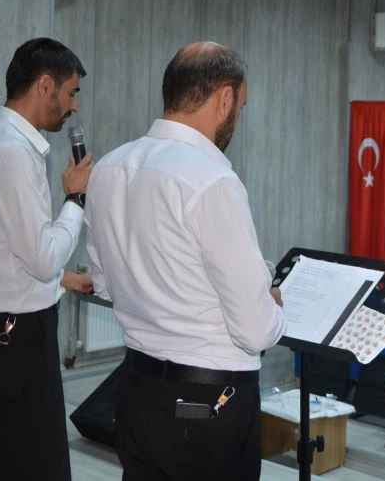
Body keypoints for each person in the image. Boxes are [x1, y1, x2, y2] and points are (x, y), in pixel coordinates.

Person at [85, 42, 286, 480]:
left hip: (136, 389)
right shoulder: (212, 179)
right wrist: (273, 306)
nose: (238, 118)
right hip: (209, 405)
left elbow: (104, 284)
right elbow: (254, 329)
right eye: (242, 106)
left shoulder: (109, 168)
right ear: (225, 99)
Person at [0, 38, 93, 481]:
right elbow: (42, 258)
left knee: (4, 460)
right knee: (39, 467)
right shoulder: (14, 153)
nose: (74, 109)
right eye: (70, 94)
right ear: (45, 86)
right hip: (18, 341)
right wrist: (75, 198)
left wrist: (62, 280)